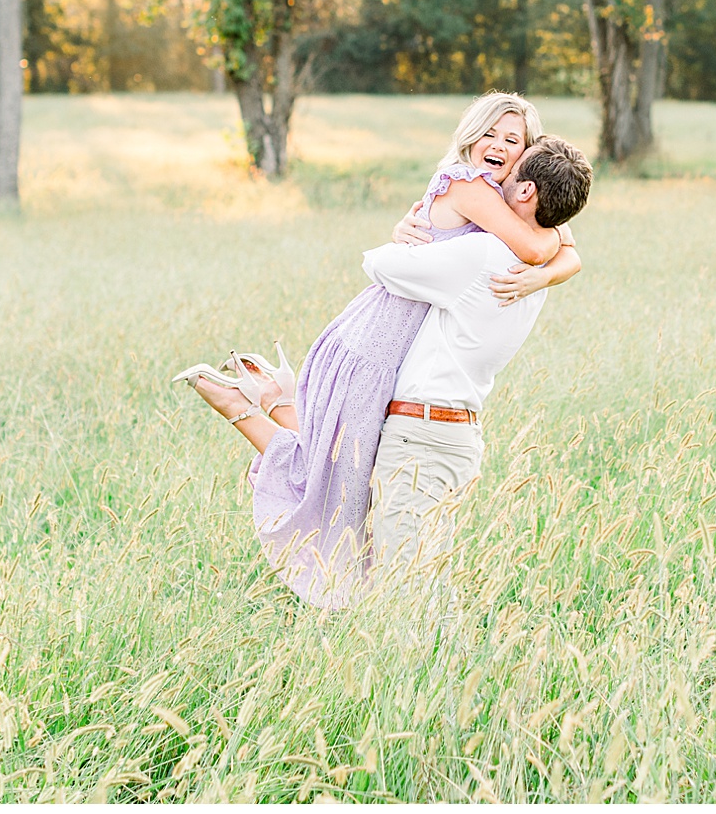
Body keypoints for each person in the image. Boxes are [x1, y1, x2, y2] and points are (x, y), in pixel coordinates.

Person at [172, 92, 582, 607]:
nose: (498, 145)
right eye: (490, 133)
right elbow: (543, 244)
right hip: (379, 337)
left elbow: (563, 245)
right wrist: (547, 266)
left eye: (513, 140)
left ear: (527, 162)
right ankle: (256, 406)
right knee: (337, 470)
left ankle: (269, 401)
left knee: (345, 469)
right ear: (470, 135)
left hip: (396, 347)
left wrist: (554, 266)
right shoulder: (472, 189)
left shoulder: (504, 208)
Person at [361, 136, 593, 591]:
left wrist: (408, 229)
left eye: (510, 172)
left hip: (420, 437)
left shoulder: (485, 254)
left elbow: (381, 266)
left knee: (399, 591)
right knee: (425, 581)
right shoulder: (537, 268)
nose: (496, 179)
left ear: (525, 193)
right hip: (457, 435)